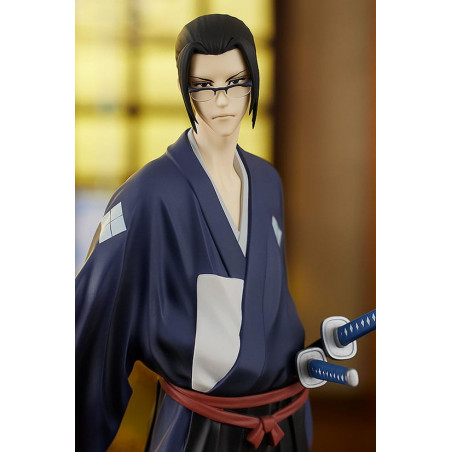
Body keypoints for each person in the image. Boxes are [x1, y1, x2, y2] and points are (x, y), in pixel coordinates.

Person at [76, 14, 313, 451]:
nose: (222, 100)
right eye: (204, 85)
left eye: (235, 82)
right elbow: (93, 328)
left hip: (282, 420)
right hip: (199, 428)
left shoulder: (267, 183)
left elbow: (271, 309)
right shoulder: (147, 195)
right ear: (186, 88)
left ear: (253, 82)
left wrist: (306, 355)